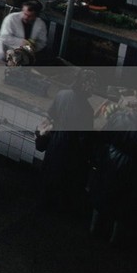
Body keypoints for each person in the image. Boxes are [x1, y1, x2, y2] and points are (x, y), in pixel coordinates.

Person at [87, 97, 137, 244]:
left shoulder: (119, 118)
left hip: (110, 164)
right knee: (123, 208)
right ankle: (115, 239)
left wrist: (97, 161)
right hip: (133, 172)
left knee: (101, 199)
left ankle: (94, 230)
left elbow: (102, 139)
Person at [37, 70, 95, 213]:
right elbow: (84, 137)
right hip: (71, 147)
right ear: (85, 85)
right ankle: (59, 210)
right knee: (64, 179)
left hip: (55, 140)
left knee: (50, 172)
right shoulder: (87, 109)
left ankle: (44, 203)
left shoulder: (62, 94)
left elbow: (50, 116)